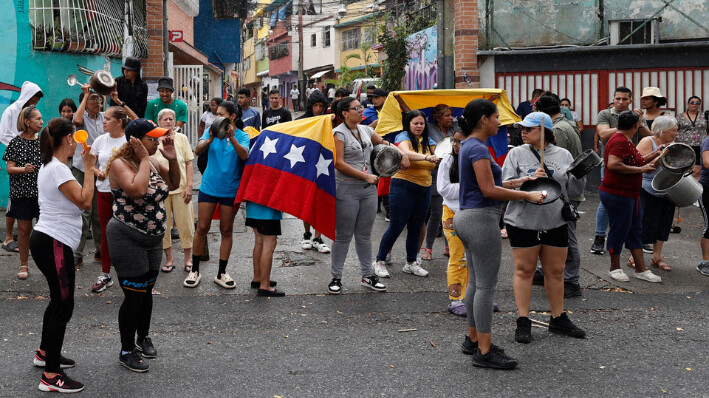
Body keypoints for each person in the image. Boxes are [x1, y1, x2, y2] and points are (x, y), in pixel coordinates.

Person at [454, 99, 544, 370]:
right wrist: (527, 194)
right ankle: (484, 350)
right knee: (485, 287)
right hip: (481, 219)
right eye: (496, 118)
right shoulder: (478, 148)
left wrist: (520, 182)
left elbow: (489, 184)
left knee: (475, 283)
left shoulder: (469, 145)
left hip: (467, 218)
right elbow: (489, 191)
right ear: (483, 119)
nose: (499, 123)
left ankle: (473, 340)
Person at [502, 112, 586, 344]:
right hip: (523, 220)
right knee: (524, 270)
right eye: (523, 128)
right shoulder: (515, 153)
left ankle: (558, 317)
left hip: (556, 219)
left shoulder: (563, 154)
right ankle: (522, 319)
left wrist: (580, 175)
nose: (524, 132)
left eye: (530, 128)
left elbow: (574, 191)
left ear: (545, 131)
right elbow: (504, 184)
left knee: (556, 271)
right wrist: (527, 180)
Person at [105, 119, 180, 372]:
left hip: (153, 239)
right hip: (128, 238)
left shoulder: (154, 160)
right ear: (136, 141)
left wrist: (171, 159)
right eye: (152, 138)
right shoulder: (120, 164)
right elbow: (136, 190)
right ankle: (126, 350)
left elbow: (174, 184)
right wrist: (145, 160)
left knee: (145, 293)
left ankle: (142, 337)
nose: (158, 141)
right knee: (134, 297)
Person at [31, 117, 95, 393]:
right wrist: (90, 169)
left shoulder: (54, 166)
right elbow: (85, 200)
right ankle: (51, 376)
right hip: (53, 241)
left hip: (50, 240)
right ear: (69, 139)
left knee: (58, 301)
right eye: (75, 136)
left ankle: (45, 354)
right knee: (64, 305)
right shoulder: (58, 170)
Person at [328, 97, 408, 294]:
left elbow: (384, 143)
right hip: (347, 189)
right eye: (356, 108)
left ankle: (367, 275)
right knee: (343, 236)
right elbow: (338, 163)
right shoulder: (338, 133)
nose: (360, 110)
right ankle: (336, 277)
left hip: (368, 191)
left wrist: (401, 153)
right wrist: (365, 176)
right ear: (344, 113)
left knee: (364, 236)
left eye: (361, 107)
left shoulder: (366, 130)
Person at [185, 101, 250, 289]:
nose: (217, 117)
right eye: (216, 113)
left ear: (232, 117)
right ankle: (194, 270)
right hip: (209, 187)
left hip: (230, 190)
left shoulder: (242, 135)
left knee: (226, 230)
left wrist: (232, 138)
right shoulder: (210, 132)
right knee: (202, 228)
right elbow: (197, 150)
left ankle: (222, 272)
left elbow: (244, 155)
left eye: (221, 114)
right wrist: (210, 139)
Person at [373, 110, 439, 278]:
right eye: (415, 123)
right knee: (396, 225)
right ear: (408, 124)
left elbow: (433, 163)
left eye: (422, 123)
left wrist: (423, 160)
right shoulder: (403, 137)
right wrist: (425, 158)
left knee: (416, 227)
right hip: (403, 186)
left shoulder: (428, 140)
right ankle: (379, 261)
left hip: (424, 188)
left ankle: (411, 263)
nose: (419, 126)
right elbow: (406, 152)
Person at [600, 110, 663, 284]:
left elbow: (637, 160)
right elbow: (613, 164)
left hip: (629, 194)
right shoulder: (620, 140)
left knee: (635, 231)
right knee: (619, 230)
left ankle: (641, 269)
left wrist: (656, 152)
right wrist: (642, 170)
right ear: (636, 125)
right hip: (617, 193)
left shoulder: (625, 139)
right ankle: (614, 268)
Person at [534, 94, 585, 297]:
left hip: (563, 192)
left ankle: (571, 280)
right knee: (550, 234)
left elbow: (557, 165)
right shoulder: (567, 124)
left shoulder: (556, 130)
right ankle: (544, 271)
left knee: (566, 236)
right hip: (565, 189)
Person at [591, 86, 651, 255]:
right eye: (618, 98)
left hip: (634, 163)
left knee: (635, 201)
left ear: (630, 101)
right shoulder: (605, 114)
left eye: (625, 99)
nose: (621, 102)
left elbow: (648, 136)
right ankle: (599, 237)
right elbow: (603, 134)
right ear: (613, 99)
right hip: (610, 163)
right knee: (606, 202)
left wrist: (638, 122)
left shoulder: (636, 115)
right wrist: (626, 125)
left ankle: (636, 239)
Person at [627, 116, 678, 272]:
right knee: (645, 222)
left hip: (668, 188)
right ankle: (633, 258)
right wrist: (659, 155)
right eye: (674, 130)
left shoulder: (674, 144)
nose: (676, 133)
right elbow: (640, 164)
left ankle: (657, 257)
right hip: (647, 187)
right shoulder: (647, 142)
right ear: (663, 130)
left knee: (664, 222)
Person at [88, 106, 129, 292]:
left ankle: (130, 273)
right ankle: (105, 273)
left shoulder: (129, 140)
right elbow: (91, 165)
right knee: (106, 233)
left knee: (128, 232)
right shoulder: (99, 140)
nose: (103, 121)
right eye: (104, 118)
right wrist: (99, 172)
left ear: (119, 122)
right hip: (104, 192)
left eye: (108, 118)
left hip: (126, 194)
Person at [0, 81, 42, 254]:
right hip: (16, 157)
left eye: (37, 100)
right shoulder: (11, 110)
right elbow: (3, 134)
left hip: (29, 158)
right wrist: (20, 146)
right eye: (33, 98)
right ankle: (8, 237)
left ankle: (31, 239)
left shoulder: (32, 115)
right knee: (14, 201)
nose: (35, 102)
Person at [152, 109, 195, 273]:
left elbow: (189, 163)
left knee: (186, 225)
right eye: (165, 119)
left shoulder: (181, 139)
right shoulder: (154, 139)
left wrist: (190, 186)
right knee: (163, 226)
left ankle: (188, 258)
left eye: (171, 119)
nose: (168, 121)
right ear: (159, 122)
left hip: (181, 189)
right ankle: (169, 259)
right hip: (160, 191)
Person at [4, 106, 42, 279]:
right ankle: (24, 265)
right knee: (24, 230)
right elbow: (9, 169)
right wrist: (23, 169)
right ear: (27, 122)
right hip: (22, 193)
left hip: (42, 194)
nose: (42, 122)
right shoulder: (15, 143)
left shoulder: (43, 141)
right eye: (38, 119)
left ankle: (45, 264)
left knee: (44, 232)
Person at [437, 131, 469, 315]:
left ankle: (474, 296)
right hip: (452, 213)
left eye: (461, 142)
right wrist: (472, 186)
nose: (456, 145)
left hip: (474, 212)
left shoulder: (480, 157)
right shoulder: (448, 160)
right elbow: (444, 189)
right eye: (454, 141)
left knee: (475, 259)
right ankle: (456, 298)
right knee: (458, 256)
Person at [421, 104, 457, 261]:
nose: (451, 118)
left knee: (452, 210)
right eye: (447, 115)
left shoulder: (455, 128)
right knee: (436, 212)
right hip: (436, 173)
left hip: (454, 174)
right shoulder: (429, 128)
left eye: (452, 115)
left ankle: (449, 246)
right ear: (438, 117)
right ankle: (428, 248)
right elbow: (414, 116)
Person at [296, 90, 331, 253]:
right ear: (310, 106)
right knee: (307, 203)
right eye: (315, 105)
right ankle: (306, 235)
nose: (318, 109)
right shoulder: (301, 121)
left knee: (320, 201)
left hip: (323, 167)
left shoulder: (328, 122)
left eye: (321, 106)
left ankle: (318, 237)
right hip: (305, 167)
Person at [676, 96, 707, 179]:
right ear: (688, 104)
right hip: (684, 146)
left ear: (699, 105)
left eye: (697, 103)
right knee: (685, 169)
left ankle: (697, 187)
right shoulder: (679, 117)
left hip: (700, 146)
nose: (694, 104)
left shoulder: (704, 116)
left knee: (698, 170)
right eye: (692, 102)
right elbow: (675, 130)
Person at [697, 124, 709, 276]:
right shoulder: (707, 141)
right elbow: (706, 162)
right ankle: (705, 262)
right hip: (707, 189)